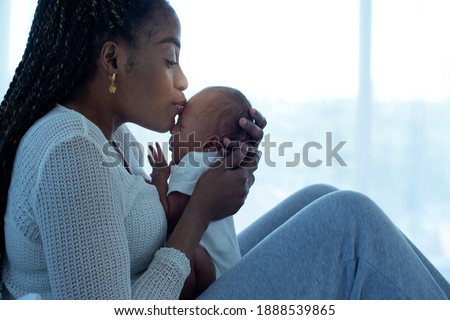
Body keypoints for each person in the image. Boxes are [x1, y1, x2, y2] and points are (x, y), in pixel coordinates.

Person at [0, 0, 449, 300]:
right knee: (350, 225)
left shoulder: (114, 138)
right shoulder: (69, 154)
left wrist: (222, 164)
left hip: (182, 292)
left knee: (320, 197)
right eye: (170, 59)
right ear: (114, 60)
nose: (182, 80)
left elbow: (151, 230)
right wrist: (199, 213)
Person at [148, 86, 253, 299]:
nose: (173, 130)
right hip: (227, 267)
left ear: (209, 145)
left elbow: (168, 217)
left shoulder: (194, 161)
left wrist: (159, 176)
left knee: (188, 258)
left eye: (182, 126)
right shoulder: (216, 163)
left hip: (214, 274)